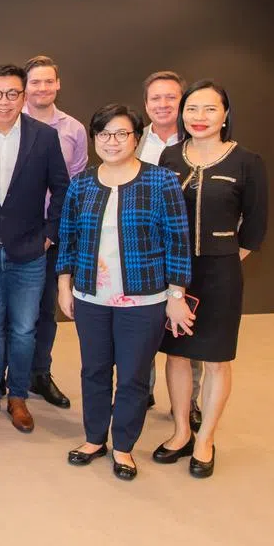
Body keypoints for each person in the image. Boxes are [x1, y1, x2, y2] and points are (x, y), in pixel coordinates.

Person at [57, 104, 194, 481]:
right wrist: (64, 283)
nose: (112, 142)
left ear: (136, 138)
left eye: (121, 134)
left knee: (133, 376)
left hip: (144, 299)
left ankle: (123, 447)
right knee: (94, 370)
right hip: (90, 297)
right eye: (104, 134)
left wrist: (176, 295)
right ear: (94, 139)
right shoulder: (82, 183)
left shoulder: (161, 181)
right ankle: (94, 438)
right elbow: (68, 237)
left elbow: (178, 242)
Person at [153, 81, 268, 479]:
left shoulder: (247, 162)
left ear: (225, 115)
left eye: (209, 109)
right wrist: (175, 278)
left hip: (221, 273)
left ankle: (206, 440)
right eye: (191, 109)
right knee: (177, 353)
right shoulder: (169, 158)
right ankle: (182, 431)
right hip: (174, 275)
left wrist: (223, 260)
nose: (198, 118)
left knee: (217, 358)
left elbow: (254, 228)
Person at [0, 54, 88, 409]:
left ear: (22, 98)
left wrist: (50, 231)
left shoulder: (45, 137)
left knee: (24, 329)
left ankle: (18, 395)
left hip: (30, 249)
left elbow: (64, 188)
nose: (4, 101)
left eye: (12, 94)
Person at [138, 71, 200, 419]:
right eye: (155, 98)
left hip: (184, 250)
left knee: (186, 332)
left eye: (171, 98)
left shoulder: (198, 142)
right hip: (143, 251)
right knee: (140, 328)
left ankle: (187, 402)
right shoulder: (134, 139)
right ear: (146, 105)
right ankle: (140, 392)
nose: (163, 105)